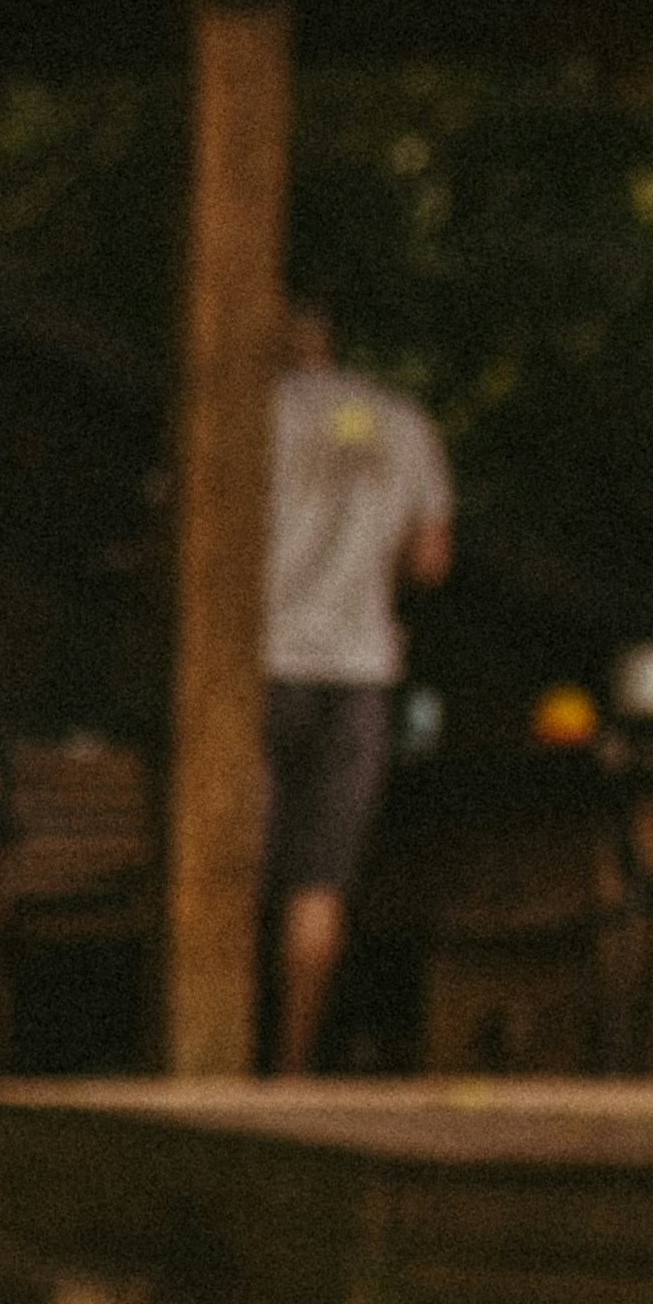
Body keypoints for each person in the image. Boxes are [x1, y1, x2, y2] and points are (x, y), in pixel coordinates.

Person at [266, 302, 455, 1076]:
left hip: (254, 669)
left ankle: (213, 1061)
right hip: (358, 673)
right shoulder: (402, 423)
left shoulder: (243, 413)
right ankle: (290, 1067)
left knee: (232, 871)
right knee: (319, 883)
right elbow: (430, 561)